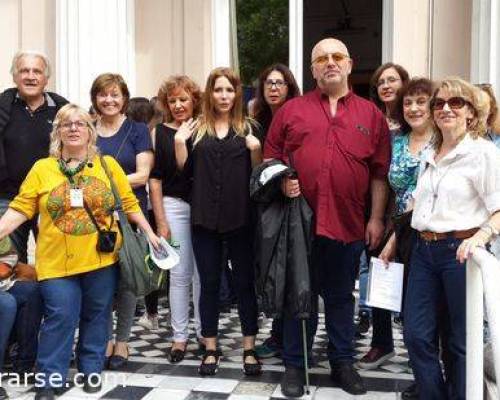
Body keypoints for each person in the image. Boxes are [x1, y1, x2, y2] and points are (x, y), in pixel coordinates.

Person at [0, 104, 160, 400]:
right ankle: (50, 378)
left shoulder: (107, 165)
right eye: (66, 124)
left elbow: (128, 202)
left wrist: (150, 234)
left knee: (97, 316)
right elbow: (21, 207)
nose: (74, 128)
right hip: (56, 261)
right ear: (57, 132)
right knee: (60, 316)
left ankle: (91, 370)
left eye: (81, 124)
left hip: (101, 259)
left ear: (90, 132)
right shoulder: (42, 168)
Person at [264, 38, 391, 397]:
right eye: (322, 59)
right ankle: (294, 364)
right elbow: (270, 158)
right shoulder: (292, 111)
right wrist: (282, 179)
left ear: (350, 64)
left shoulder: (371, 115)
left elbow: (379, 174)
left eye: (337, 57)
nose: (330, 63)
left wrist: (376, 218)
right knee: (297, 296)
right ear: (313, 69)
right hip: (298, 224)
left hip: (349, 223)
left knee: (340, 298)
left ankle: (342, 363)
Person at [405, 77, 500, 400]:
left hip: (458, 253)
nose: (445, 108)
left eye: (455, 103)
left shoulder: (483, 152)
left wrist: (480, 237)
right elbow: (419, 203)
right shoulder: (431, 150)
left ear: (471, 112)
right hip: (423, 250)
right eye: (439, 103)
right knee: (417, 335)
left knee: (460, 342)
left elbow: (499, 208)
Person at [175, 67, 262, 376]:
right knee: (209, 284)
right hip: (204, 221)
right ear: (209, 94)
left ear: (237, 94)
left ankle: (249, 346)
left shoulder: (249, 129)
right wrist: (179, 144)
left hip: (241, 220)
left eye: (229, 90)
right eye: (218, 89)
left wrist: (256, 151)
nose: (223, 95)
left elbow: (258, 178)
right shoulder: (196, 129)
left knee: (244, 285)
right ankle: (211, 346)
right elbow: (185, 178)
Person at [90, 73, 154, 370]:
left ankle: (123, 340)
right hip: (94, 219)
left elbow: (143, 175)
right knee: (100, 282)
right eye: (103, 95)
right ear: (95, 99)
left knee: (127, 279)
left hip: (129, 215)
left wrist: (105, 185)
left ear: (124, 98)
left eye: (115, 94)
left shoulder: (137, 129)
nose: (109, 100)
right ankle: (103, 340)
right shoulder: (87, 130)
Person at [148, 75, 203, 362]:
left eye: (184, 99)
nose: (179, 105)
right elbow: (154, 180)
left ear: (194, 99)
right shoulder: (159, 132)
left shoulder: (205, 128)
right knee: (179, 275)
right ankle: (179, 338)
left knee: (203, 274)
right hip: (174, 206)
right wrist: (161, 222)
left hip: (205, 208)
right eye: (173, 100)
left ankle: (206, 334)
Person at [250, 63, 301, 360]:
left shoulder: (297, 116)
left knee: (288, 271)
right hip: (262, 203)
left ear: (289, 87)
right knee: (269, 270)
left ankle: (284, 336)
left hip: (289, 203)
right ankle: (276, 334)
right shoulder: (255, 121)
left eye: (280, 83)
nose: (273, 88)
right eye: (268, 83)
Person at [357, 62, 410, 336]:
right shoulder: (372, 120)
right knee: (377, 270)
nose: (387, 86)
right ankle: (381, 340)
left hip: (407, 212)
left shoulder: (413, 121)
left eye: (392, 80)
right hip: (374, 207)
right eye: (381, 82)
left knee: (411, 281)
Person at [0, 51, 67, 263]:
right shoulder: (3, 106)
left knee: (54, 263)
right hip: (8, 200)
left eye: (37, 71)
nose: (30, 76)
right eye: (24, 71)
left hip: (50, 200)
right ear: (14, 77)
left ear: (46, 78)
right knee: (9, 265)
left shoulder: (62, 111)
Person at [0, 237, 42, 399]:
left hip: (3, 281)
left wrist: (7, 266)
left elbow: (9, 255)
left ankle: (24, 364)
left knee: (32, 291)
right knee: (6, 304)